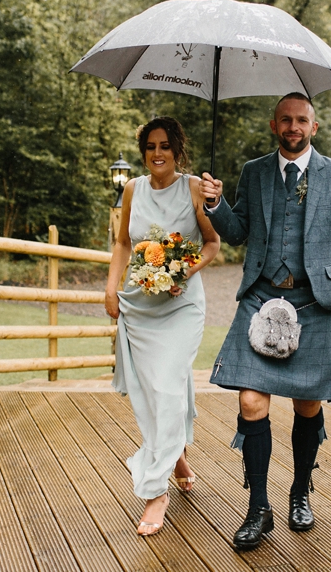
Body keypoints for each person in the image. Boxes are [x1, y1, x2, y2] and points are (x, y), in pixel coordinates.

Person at [200, 92, 331, 551]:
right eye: (285, 120)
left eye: (301, 120)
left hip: (312, 303)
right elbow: (237, 233)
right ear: (274, 125)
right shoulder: (254, 172)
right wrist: (216, 206)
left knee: (306, 405)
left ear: (313, 127)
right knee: (252, 401)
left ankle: (300, 489)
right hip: (259, 298)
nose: (293, 127)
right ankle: (258, 506)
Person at [105, 117, 221, 537]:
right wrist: (110, 289)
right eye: (151, 146)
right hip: (139, 306)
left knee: (167, 384)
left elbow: (213, 244)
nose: (158, 153)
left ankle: (156, 491)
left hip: (180, 306)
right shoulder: (132, 189)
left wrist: (182, 272)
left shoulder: (193, 188)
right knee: (152, 390)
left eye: (165, 146)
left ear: (178, 150)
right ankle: (177, 458)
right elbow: (122, 244)